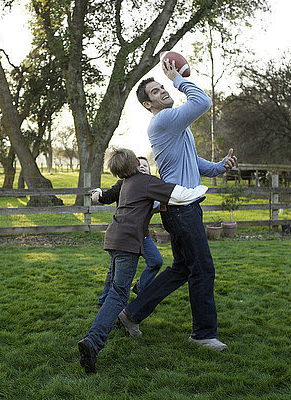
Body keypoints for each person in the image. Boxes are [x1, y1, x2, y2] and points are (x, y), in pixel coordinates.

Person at [117, 58, 238, 351]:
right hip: (181, 210)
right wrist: (178, 78)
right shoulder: (163, 120)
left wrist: (220, 166)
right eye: (156, 92)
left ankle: (131, 313)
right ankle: (203, 334)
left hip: (181, 208)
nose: (163, 91)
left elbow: (191, 162)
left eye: (162, 87)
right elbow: (202, 102)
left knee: (183, 268)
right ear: (148, 105)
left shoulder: (174, 126)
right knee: (203, 269)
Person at [78, 148, 209, 374]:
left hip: (114, 238)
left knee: (116, 289)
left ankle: (94, 337)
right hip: (128, 241)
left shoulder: (126, 183)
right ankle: (93, 341)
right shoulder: (146, 181)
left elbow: (109, 196)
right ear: (134, 164)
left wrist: (99, 192)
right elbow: (179, 194)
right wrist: (201, 189)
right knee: (119, 294)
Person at [93, 157, 164, 304]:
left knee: (156, 261)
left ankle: (140, 287)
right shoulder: (124, 184)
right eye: (140, 165)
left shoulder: (151, 186)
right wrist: (99, 192)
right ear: (134, 168)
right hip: (125, 235)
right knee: (114, 270)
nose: (143, 167)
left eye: (146, 165)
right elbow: (108, 196)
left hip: (142, 235)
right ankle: (104, 299)